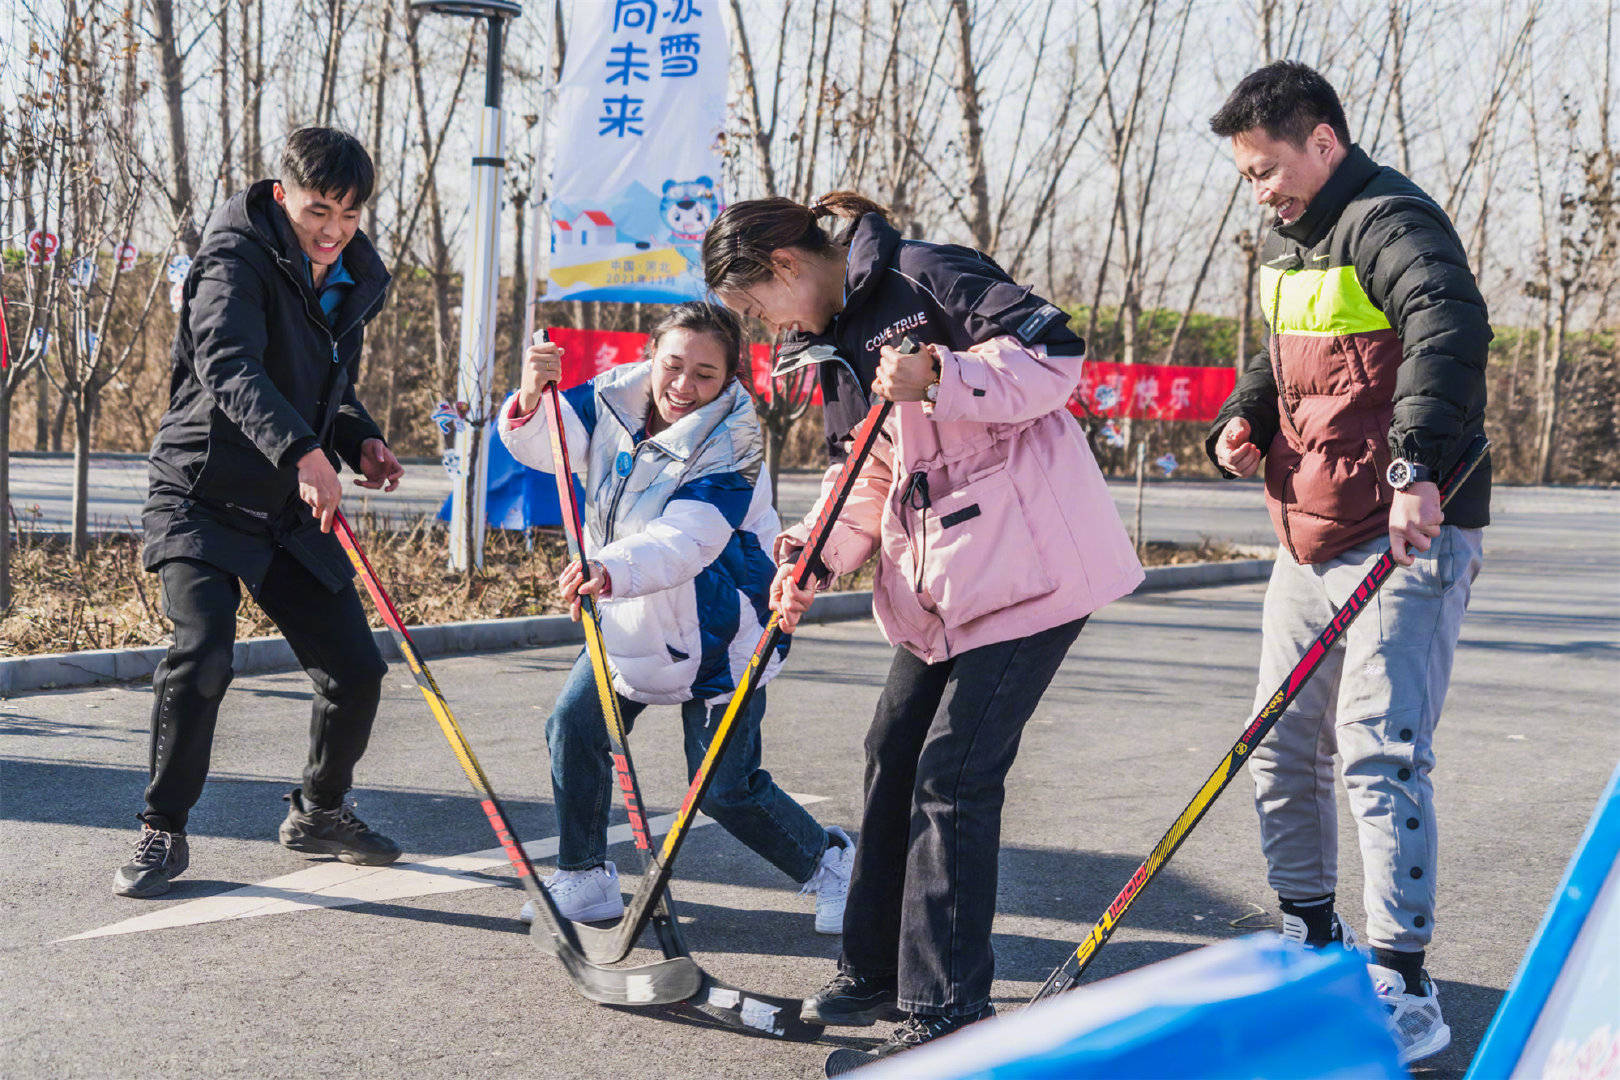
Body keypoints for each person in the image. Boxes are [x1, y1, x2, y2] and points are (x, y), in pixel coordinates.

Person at [704, 192, 1143, 1062]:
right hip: (945, 587)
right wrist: (815, 557)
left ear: (785, 267)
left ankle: (948, 1007)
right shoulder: (827, 348)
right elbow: (865, 470)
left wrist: (943, 375)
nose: (758, 326)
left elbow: (1057, 357)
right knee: (892, 748)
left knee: (954, 773)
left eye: (754, 306)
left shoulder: (923, 274)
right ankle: (873, 969)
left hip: (1036, 571)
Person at [1204, 61, 1491, 1065]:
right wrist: (1242, 420)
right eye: (1245, 176)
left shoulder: (1391, 220)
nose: (1260, 190)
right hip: (1305, 529)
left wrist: (1416, 468)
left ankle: (1402, 979)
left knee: (1379, 750)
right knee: (1277, 746)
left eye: (1267, 168)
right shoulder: (1295, 246)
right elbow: (1284, 359)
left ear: (1322, 141)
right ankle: (1310, 937)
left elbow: (1447, 331)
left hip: (1405, 528)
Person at [497, 302, 852, 932]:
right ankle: (583, 878)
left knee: (723, 789)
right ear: (651, 356)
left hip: (721, 626)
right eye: (674, 365)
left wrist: (607, 571)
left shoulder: (736, 440)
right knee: (575, 728)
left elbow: (688, 539)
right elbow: (546, 446)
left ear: (731, 379)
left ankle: (832, 866)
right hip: (631, 614)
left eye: (706, 375)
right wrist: (531, 395)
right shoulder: (611, 399)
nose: (684, 386)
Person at [118, 127, 405, 899]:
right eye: (319, 210)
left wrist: (360, 438)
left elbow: (321, 384)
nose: (333, 230)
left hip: (282, 505)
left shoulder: (351, 274)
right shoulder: (233, 257)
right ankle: (161, 830)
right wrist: (308, 454)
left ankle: (319, 812)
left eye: (348, 215)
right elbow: (230, 365)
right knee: (205, 655)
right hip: (201, 492)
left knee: (356, 671)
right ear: (283, 196)